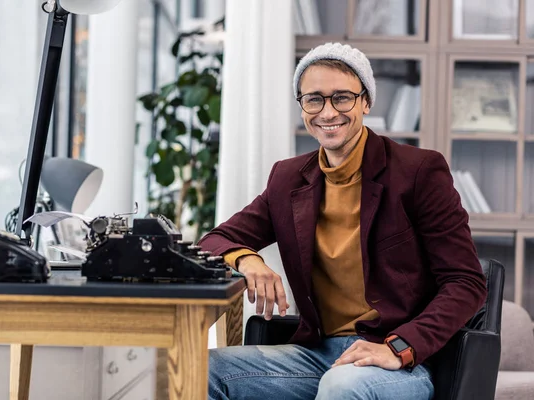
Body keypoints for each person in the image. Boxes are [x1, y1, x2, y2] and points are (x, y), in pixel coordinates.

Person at [198, 42, 487, 400]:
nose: (327, 111)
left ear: (366, 102)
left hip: (398, 359)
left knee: (342, 386)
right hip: (316, 353)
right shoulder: (288, 178)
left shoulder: (417, 171)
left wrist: (399, 347)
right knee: (203, 370)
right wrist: (248, 258)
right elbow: (214, 239)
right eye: (314, 99)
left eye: (342, 98)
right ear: (302, 107)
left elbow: (466, 282)